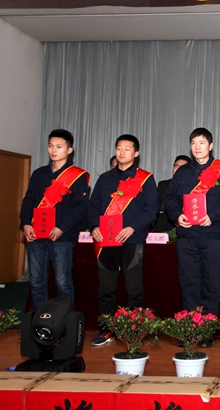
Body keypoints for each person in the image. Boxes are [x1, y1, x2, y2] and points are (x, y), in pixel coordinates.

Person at [165, 127, 220, 346]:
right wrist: (177, 215)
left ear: (211, 145)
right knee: (188, 281)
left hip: (211, 234)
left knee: (211, 282)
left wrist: (213, 216)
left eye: (202, 143)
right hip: (187, 234)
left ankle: (207, 330)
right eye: (193, 143)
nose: (197, 147)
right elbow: (170, 198)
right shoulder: (182, 172)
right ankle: (190, 329)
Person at [87, 134, 158, 346]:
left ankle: (135, 329)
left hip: (132, 239)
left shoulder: (145, 179)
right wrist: (94, 226)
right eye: (119, 148)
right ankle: (107, 329)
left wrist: (132, 227)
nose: (122, 152)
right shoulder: (105, 179)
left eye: (127, 149)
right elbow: (93, 207)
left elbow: (151, 209)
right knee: (106, 287)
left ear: (136, 153)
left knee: (134, 287)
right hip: (106, 240)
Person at [19, 129, 89, 311]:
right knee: (37, 282)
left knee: (62, 282)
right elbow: (28, 200)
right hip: (36, 235)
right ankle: (39, 322)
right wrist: (26, 223)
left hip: (62, 237)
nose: (54, 150)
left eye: (59, 146)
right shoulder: (39, 174)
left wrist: (62, 227)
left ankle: (64, 322)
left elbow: (80, 207)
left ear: (69, 150)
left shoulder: (78, 176)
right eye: (50, 146)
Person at [152, 154, 191, 232]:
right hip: (164, 227)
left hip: (186, 227)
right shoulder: (163, 185)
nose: (179, 169)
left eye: (183, 166)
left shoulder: (194, 187)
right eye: (176, 166)